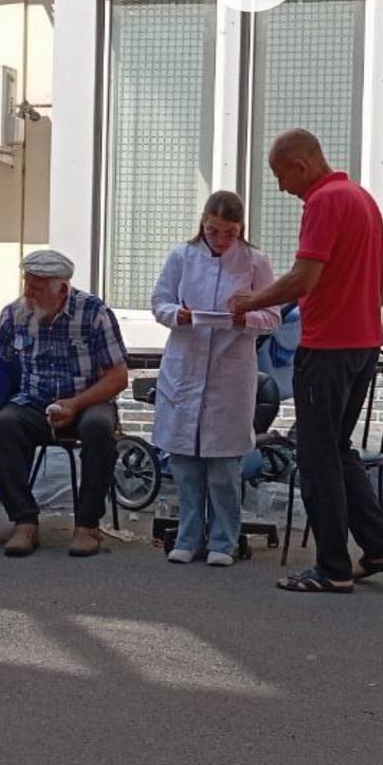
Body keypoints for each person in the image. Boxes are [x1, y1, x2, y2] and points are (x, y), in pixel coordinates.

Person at [229, 128, 383, 593]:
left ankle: (332, 568)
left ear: (301, 165)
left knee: (315, 455)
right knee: (337, 448)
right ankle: (380, 547)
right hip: (363, 346)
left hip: (327, 348)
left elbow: (303, 278)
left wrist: (250, 301)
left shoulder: (323, 202)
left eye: (280, 175)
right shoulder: (362, 199)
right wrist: (365, 313)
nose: (282, 187)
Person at [0, 250, 129, 558]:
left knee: (99, 427)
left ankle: (87, 525)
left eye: (37, 288)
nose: (28, 293)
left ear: (62, 290)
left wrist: (75, 403)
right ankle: (24, 521)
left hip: (87, 400)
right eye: (27, 284)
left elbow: (118, 377)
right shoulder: (15, 312)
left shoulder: (94, 313)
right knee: (2, 424)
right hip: (34, 401)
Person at [151, 191, 281, 567]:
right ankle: (188, 536)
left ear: (241, 229)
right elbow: (159, 303)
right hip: (185, 366)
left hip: (230, 372)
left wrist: (244, 318)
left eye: (229, 233)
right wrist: (178, 315)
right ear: (203, 224)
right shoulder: (181, 256)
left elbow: (272, 317)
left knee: (223, 468)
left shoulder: (255, 261)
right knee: (185, 464)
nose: (220, 240)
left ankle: (223, 540)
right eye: (213, 231)